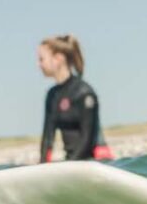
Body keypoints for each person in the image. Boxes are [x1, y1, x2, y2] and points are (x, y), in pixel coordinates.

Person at [38, 34, 112, 162]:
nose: (39, 64)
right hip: (73, 163)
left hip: (96, 161)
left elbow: (87, 139)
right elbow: (47, 139)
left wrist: (70, 166)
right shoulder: (52, 95)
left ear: (58, 59)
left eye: (41, 59)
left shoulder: (84, 92)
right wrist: (42, 166)